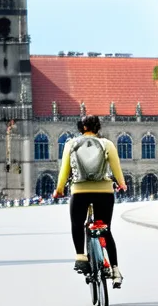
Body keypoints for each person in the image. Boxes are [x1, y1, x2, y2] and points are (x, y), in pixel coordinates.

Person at [55, 115, 128, 287]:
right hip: (104, 191)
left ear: (81, 128)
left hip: (80, 191)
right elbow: (117, 169)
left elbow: (64, 171)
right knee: (106, 229)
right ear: (98, 128)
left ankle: (80, 256)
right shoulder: (106, 144)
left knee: (77, 223)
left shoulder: (71, 144)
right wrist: (122, 184)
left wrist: (58, 190)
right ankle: (115, 270)